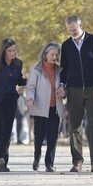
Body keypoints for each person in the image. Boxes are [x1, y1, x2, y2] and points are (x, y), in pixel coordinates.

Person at [58, 14, 93, 172]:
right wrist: (62, 85)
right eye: (69, 30)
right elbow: (63, 69)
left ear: (80, 25)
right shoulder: (66, 45)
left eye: (74, 29)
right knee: (75, 126)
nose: (72, 32)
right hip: (74, 90)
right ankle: (77, 161)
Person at [0, 38, 26, 172]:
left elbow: (19, 80)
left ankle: (4, 161)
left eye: (14, 50)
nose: (12, 53)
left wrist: (33, 80)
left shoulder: (18, 63)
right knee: (0, 128)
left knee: (8, 131)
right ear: (4, 51)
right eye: (10, 51)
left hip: (11, 100)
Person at [26, 42, 64, 172]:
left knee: (53, 137)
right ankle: (37, 158)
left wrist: (63, 91)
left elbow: (64, 86)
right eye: (52, 54)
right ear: (45, 55)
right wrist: (30, 98)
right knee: (39, 136)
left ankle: (49, 163)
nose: (54, 57)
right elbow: (30, 87)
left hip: (55, 108)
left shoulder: (59, 70)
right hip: (40, 107)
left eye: (56, 55)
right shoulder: (37, 68)